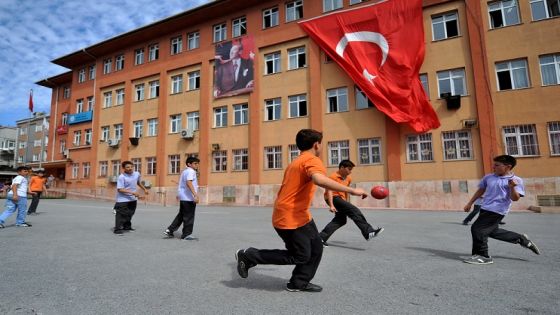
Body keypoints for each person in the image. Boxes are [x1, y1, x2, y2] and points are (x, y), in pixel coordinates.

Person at [235, 129, 368, 292]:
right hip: (289, 216)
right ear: (316, 144)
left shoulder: (297, 161)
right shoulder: (312, 160)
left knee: (317, 247)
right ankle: (249, 256)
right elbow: (319, 179)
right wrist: (353, 191)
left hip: (299, 214)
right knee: (299, 255)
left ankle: (299, 282)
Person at [462, 155, 540, 265]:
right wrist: (470, 203)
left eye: (497, 165)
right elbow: (481, 190)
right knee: (492, 231)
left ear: (508, 166)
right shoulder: (488, 177)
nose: (493, 167)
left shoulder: (516, 180)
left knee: (477, 229)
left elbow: (515, 198)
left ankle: (483, 256)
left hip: (497, 210)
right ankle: (521, 239)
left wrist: (512, 187)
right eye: (494, 165)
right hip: (485, 208)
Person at [319, 160, 384, 247]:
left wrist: (361, 193)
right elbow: (329, 191)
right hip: (333, 198)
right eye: (349, 169)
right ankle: (368, 232)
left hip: (340, 199)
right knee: (354, 210)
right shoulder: (333, 177)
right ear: (342, 167)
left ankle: (320, 238)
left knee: (340, 220)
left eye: (351, 169)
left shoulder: (348, 179)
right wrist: (331, 205)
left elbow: (347, 190)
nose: (350, 171)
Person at [164, 156, 200, 240]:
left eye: (197, 163)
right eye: (195, 163)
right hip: (188, 198)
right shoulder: (191, 171)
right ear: (189, 164)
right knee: (189, 216)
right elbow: (189, 183)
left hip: (184, 197)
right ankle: (186, 234)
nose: (197, 165)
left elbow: (183, 184)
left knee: (181, 216)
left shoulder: (185, 171)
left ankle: (170, 230)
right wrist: (195, 194)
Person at [113, 161, 149, 235]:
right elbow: (120, 189)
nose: (130, 168)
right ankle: (117, 229)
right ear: (124, 168)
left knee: (130, 213)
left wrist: (144, 189)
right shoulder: (122, 177)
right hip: (122, 199)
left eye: (131, 167)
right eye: (127, 167)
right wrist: (133, 193)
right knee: (121, 214)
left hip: (132, 199)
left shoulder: (137, 174)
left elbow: (138, 182)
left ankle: (127, 226)